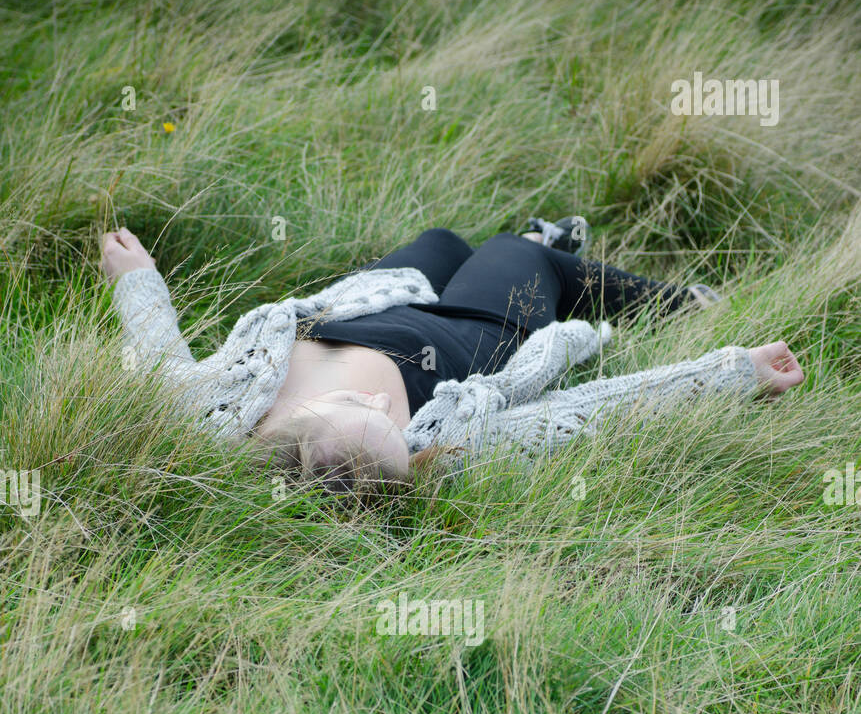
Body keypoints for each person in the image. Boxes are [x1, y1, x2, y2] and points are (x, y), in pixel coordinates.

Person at [102, 218, 803, 489]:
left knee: (439, 242)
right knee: (516, 255)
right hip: (471, 337)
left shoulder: (211, 420)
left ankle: (513, 253)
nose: (382, 403)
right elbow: (591, 409)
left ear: (295, 429)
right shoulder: (452, 442)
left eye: (360, 407)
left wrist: (136, 279)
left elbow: (160, 356)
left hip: (365, 305)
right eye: (390, 423)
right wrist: (730, 373)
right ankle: (678, 299)